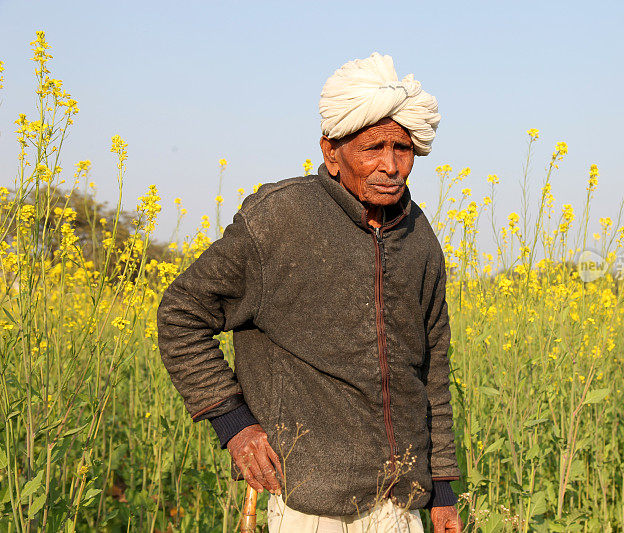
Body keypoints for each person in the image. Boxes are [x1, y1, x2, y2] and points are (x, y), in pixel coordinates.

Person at [157, 52, 463, 533]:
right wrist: (234, 424)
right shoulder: (282, 219)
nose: (391, 166)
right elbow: (181, 315)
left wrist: (442, 489)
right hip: (303, 502)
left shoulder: (419, 238)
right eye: (372, 148)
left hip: (399, 504)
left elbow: (431, 371)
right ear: (331, 152)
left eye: (402, 149)